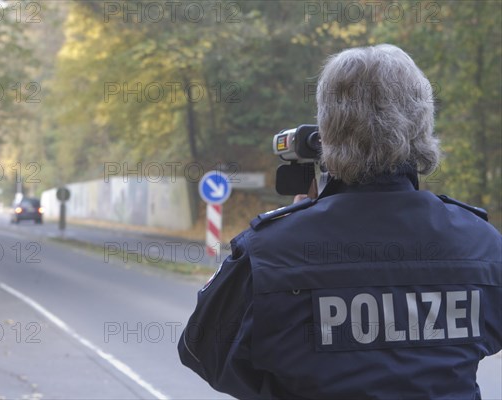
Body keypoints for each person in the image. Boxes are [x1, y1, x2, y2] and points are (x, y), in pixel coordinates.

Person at [177, 44, 501, 399]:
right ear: (423, 124)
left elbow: (202, 351)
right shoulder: (482, 242)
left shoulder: (269, 250)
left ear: (327, 130)